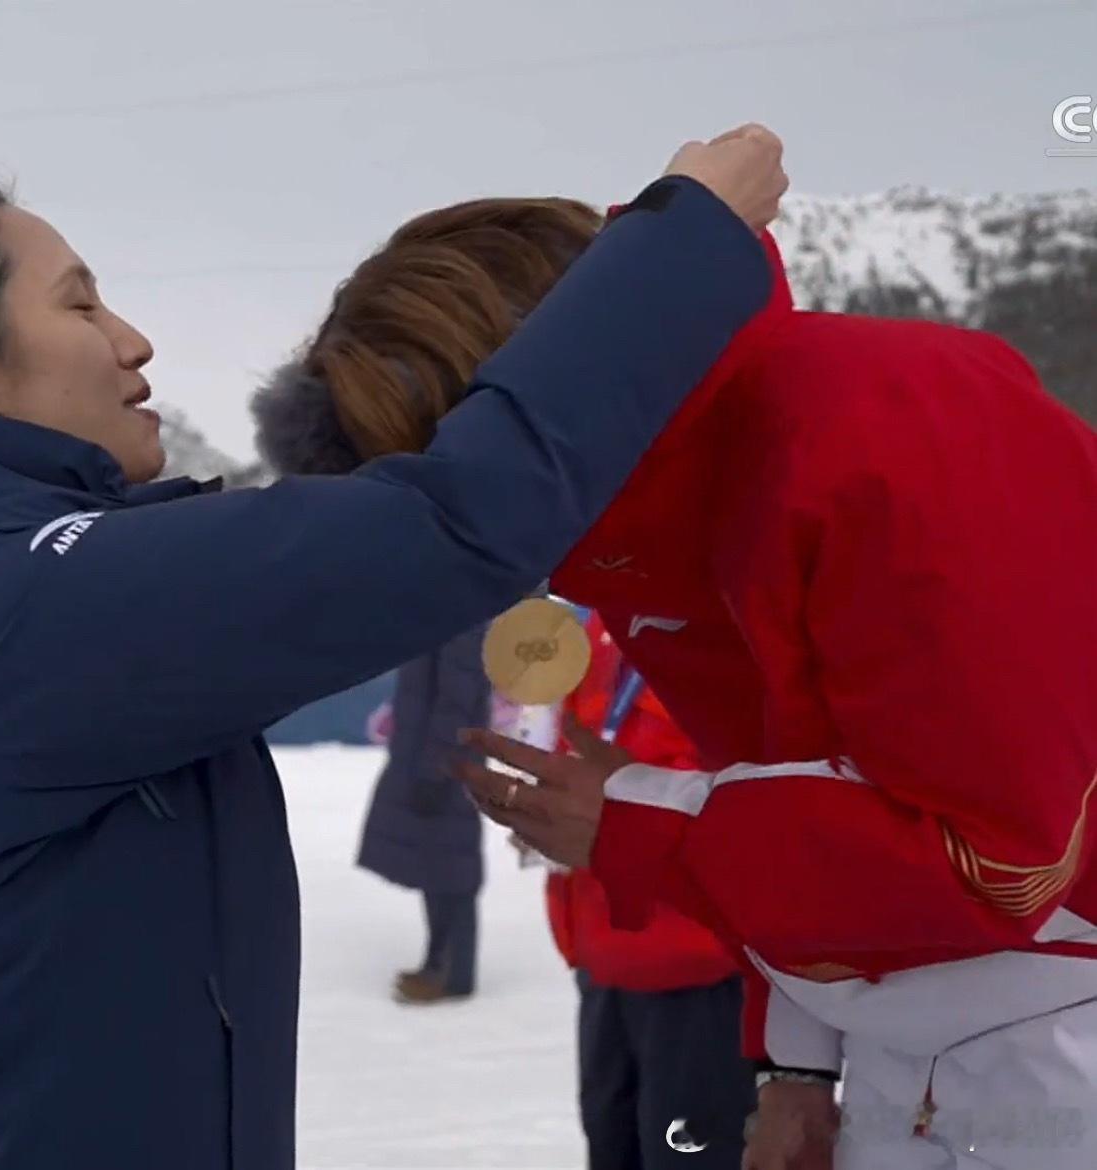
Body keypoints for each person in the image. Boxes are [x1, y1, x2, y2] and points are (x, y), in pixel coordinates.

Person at [0, 130, 785, 1170]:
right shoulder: (5, 612)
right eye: (79, 304)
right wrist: (678, 245)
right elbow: (445, 527)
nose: (132, 340)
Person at [267, 191, 1097, 1170]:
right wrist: (794, 1066)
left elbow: (996, 859)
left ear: (530, 409)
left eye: (468, 490)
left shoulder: (884, 431)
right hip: (922, 1047)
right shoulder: (654, 517)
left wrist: (641, 826)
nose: (486, 542)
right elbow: (793, 780)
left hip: (1053, 1046)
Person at [550, 613, 752, 1169]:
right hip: (602, 943)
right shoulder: (599, 627)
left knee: (689, 1153)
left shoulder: (731, 628)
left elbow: (750, 793)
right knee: (612, 1140)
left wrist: (613, 810)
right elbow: (577, 737)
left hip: (698, 962)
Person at [357, 624, 489, 1005]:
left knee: (452, 865)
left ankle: (453, 973)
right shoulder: (445, 614)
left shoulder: (460, 620)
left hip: (445, 764)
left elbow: (457, 699)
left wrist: (435, 768)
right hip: (431, 758)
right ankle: (438, 962)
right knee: (436, 860)